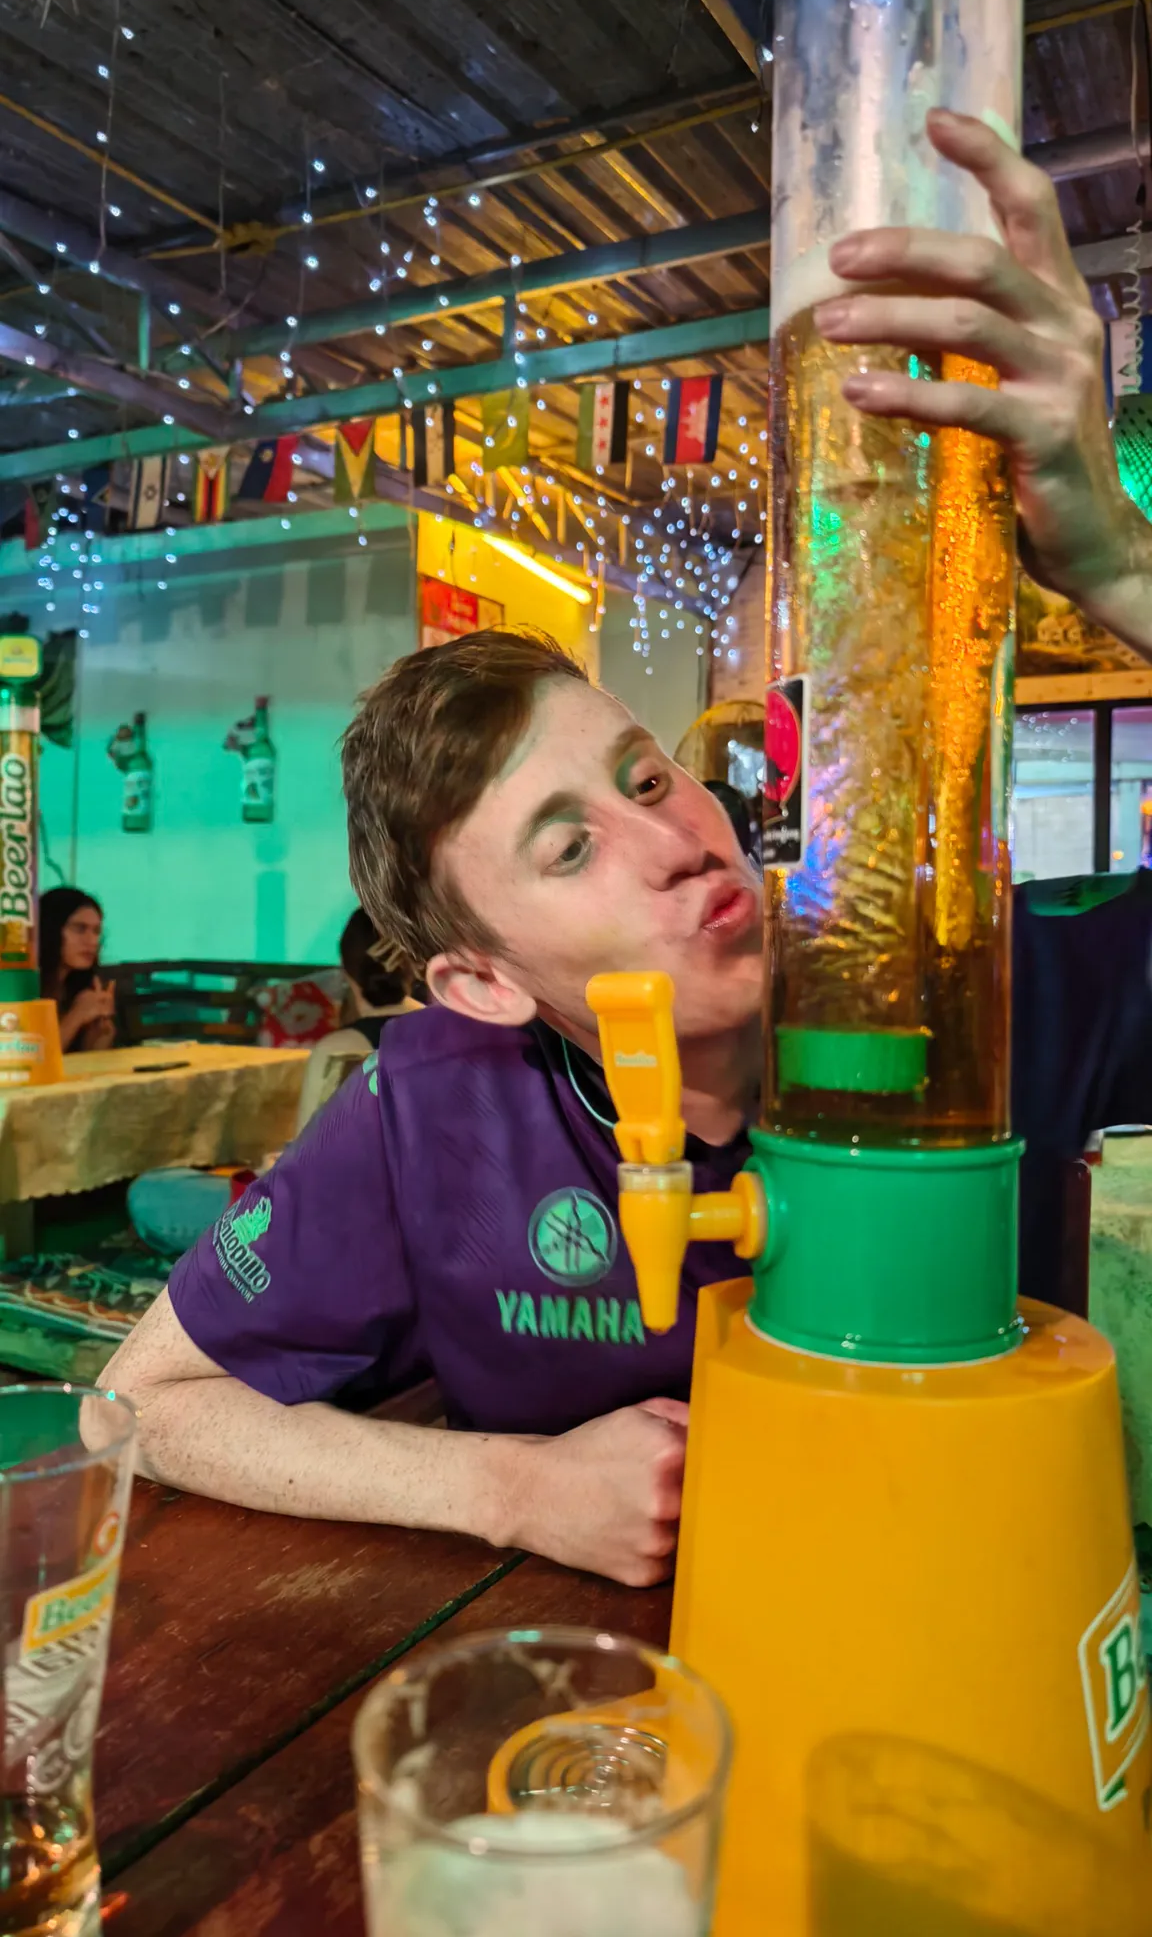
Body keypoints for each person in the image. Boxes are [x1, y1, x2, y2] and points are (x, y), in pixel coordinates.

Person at [101, 114, 1152, 1586]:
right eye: (566, 847)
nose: (671, 837)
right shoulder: (438, 1114)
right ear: (477, 982)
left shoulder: (972, 990)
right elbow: (143, 1405)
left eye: (647, 773)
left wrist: (1116, 558)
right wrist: (513, 1488)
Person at [293, 907, 422, 1132]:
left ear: (345, 969)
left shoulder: (335, 1050)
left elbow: (305, 1155)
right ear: (413, 964)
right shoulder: (454, 1031)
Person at [39, 886, 116, 1053]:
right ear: (50, 929)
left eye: (97, 931)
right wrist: (77, 1015)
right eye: (80, 929)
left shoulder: (79, 987)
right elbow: (31, 1062)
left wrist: (99, 1035)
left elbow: (88, 1067)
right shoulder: (21, 985)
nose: (92, 941)